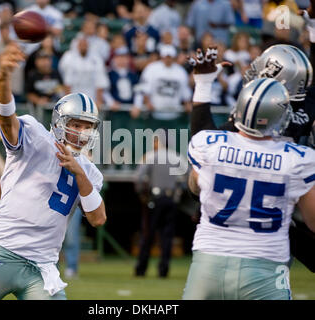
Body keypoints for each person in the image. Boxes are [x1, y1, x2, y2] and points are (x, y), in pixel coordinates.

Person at [0, 42, 106, 300]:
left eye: (88, 127)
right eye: (77, 125)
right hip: (1, 253)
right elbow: (6, 118)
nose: (82, 133)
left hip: (42, 267)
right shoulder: (35, 136)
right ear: (60, 122)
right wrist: (3, 77)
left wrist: (79, 173)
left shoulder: (90, 172)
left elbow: (98, 219)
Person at [183, 78, 315, 299]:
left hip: (207, 265)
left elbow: (195, 188)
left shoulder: (208, 143)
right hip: (265, 268)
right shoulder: (298, 159)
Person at [134, 135, 186, 278]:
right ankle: (164, 270)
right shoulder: (178, 158)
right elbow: (185, 179)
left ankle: (141, 269)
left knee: (148, 234)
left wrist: (142, 194)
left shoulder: (151, 156)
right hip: (171, 199)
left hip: (155, 199)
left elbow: (139, 177)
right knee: (167, 236)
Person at [131, 44, 192, 123]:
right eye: (166, 56)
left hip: (174, 114)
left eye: (170, 57)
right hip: (154, 114)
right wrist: (145, 102)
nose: (168, 59)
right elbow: (143, 88)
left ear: (174, 57)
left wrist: (187, 102)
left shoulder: (180, 71)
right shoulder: (152, 68)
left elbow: (185, 90)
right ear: (162, 56)